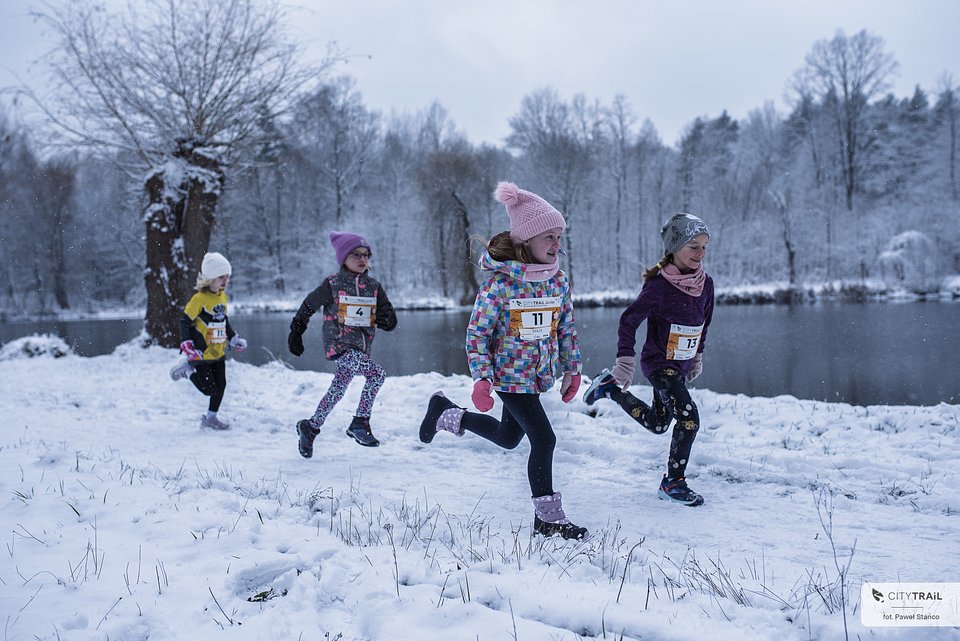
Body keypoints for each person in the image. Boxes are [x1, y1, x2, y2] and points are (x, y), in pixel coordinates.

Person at [418, 181, 587, 541]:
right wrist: (482, 378)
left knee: (509, 437)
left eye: (559, 237)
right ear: (526, 241)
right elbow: (477, 335)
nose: (557, 245)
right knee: (544, 440)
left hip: (536, 376)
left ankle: (445, 413)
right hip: (508, 376)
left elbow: (566, 329)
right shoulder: (499, 286)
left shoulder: (558, 282)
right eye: (549, 237)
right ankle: (548, 520)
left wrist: (573, 368)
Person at [582, 213, 714, 506]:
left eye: (704, 246)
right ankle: (673, 483)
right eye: (693, 246)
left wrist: (697, 355)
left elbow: (704, 322)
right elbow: (628, 321)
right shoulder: (658, 287)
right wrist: (625, 362)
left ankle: (610, 389)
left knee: (658, 424)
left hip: (679, 365)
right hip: (658, 364)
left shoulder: (707, 284)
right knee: (689, 419)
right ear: (674, 247)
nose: (700, 253)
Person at [288, 231, 398, 456]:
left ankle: (310, 427)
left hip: (360, 348)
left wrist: (386, 319)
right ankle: (360, 422)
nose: (362, 259)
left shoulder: (373, 286)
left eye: (366, 255)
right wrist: (296, 332)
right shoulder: (332, 284)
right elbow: (308, 305)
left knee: (337, 390)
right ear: (343, 258)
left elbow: (389, 318)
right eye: (356, 254)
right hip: (339, 345)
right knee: (376, 374)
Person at [169, 252, 247, 430]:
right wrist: (187, 344)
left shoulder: (222, 297)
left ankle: (211, 418)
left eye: (227, 277)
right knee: (208, 389)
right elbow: (184, 322)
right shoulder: (199, 299)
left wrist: (234, 338)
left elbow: (223, 320)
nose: (225, 281)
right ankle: (188, 370)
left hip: (218, 351)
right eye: (221, 277)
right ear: (210, 277)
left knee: (221, 386)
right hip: (201, 352)